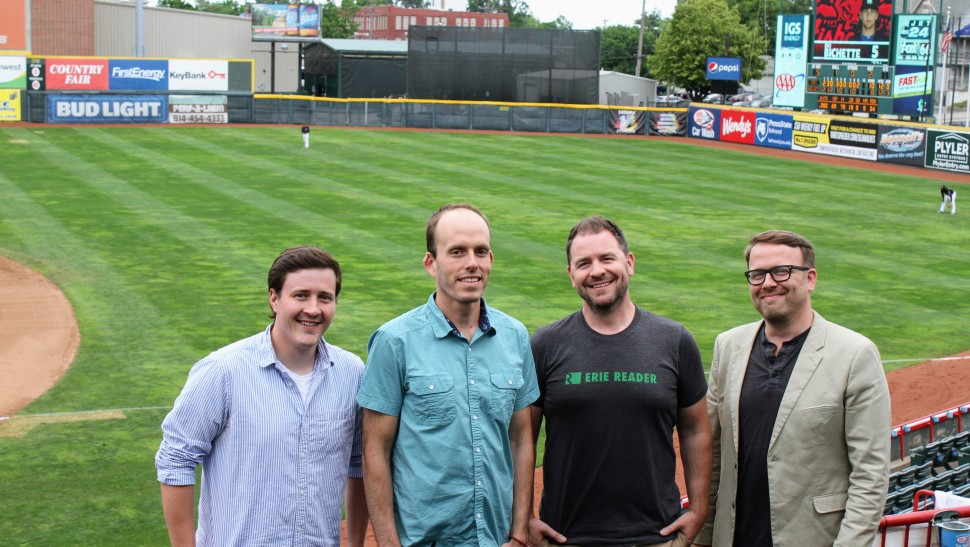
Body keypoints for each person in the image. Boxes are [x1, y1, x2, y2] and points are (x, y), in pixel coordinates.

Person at [155, 245, 368, 547]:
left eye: (325, 297)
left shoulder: (351, 372)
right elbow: (176, 460)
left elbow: (359, 463)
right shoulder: (224, 370)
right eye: (300, 295)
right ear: (274, 298)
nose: (313, 309)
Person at [357, 203, 540, 547]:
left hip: (497, 539)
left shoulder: (515, 336)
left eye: (480, 251)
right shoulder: (394, 342)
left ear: (491, 259)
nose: (472, 262)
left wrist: (518, 532)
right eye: (457, 251)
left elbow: (521, 439)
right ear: (431, 263)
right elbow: (374, 451)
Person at [694, 230, 891, 547]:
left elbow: (870, 473)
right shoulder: (727, 346)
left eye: (781, 271)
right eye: (757, 274)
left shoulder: (855, 354)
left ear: (810, 279)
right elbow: (714, 459)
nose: (768, 283)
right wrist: (702, 540)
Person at [529, 216, 712, 547]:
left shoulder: (674, 340)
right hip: (565, 537)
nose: (597, 271)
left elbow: (695, 429)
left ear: (629, 263)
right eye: (583, 263)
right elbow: (521, 438)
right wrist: (524, 517)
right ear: (571, 276)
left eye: (607, 258)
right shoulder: (545, 344)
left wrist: (699, 510)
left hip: (657, 536)